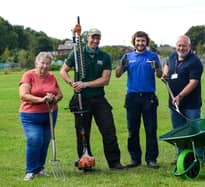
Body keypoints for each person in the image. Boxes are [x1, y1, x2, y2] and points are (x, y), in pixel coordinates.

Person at [60, 28, 125, 170]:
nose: (95, 41)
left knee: (109, 130)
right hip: (81, 99)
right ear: (87, 38)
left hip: (99, 99)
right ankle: (85, 162)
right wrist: (72, 83)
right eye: (92, 38)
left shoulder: (105, 56)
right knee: (82, 132)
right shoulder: (77, 54)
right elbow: (63, 71)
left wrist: (85, 84)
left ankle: (114, 162)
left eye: (98, 38)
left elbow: (105, 79)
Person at [115, 31, 162, 169]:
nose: (140, 43)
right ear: (134, 42)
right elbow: (118, 74)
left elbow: (160, 75)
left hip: (149, 97)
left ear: (146, 42)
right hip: (132, 97)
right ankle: (135, 159)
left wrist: (157, 67)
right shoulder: (128, 57)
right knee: (132, 130)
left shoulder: (153, 56)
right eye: (138, 41)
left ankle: (151, 159)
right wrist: (121, 64)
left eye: (143, 41)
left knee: (151, 129)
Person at [19, 52, 63, 181]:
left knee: (45, 142)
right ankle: (30, 170)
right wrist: (42, 99)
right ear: (36, 63)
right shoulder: (28, 75)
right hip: (30, 115)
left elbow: (60, 94)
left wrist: (54, 98)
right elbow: (23, 95)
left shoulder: (52, 77)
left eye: (47, 63)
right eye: (42, 63)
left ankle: (39, 168)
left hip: (49, 114)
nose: (44, 66)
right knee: (35, 139)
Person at [162, 35, 204, 164]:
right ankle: (181, 157)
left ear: (189, 46)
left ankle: (199, 158)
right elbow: (167, 64)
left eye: (184, 45)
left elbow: (193, 83)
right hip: (174, 105)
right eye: (179, 45)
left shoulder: (195, 62)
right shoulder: (173, 56)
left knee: (194, 132)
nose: (181, 48)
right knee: (179, 132)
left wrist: (180, 96)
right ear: (176, 46)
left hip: (191, 105)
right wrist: (165, 73)